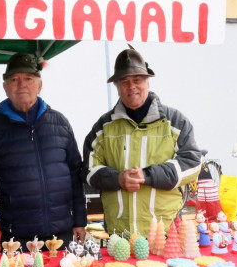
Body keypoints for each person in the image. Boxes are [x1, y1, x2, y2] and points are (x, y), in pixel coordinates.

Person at [0, 52, 87, 250]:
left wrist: (79, 220)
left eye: (28, 79)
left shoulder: (60, 124)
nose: (22, 85)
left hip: (62, 237)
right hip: (17, 241)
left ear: (39, 85)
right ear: (5, 88)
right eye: (14, 80)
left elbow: (76, 176)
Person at [82, 47, 202, 237]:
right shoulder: (103, 127)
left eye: (137, 80)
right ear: (117, 86)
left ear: (147, 82)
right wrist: (118, 179)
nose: (131, 87)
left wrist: (148, 175)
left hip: (164, 233)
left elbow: (193, 163)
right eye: (124, 82)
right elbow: (88, 171)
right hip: (119, 234)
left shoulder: (176, 122)